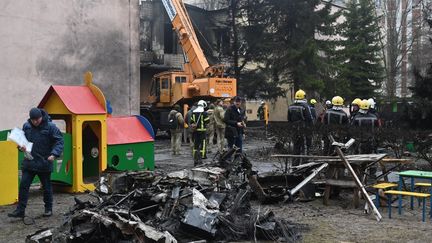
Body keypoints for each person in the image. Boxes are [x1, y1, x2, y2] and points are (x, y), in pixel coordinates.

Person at [8, 108, 64, 218]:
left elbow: (59, 141)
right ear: (30, 119)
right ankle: (20, 210)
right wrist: (21, 147)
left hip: (44, 162)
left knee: (47, 187)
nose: (35, 122)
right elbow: (22, 140)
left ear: (41, 117)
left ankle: (48, 209)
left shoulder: (50, 127)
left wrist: (54, 154)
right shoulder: (27, 126)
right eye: (33, 120)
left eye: (37, 119)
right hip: (29, 162)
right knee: (24, 185)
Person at [287, 89, 313, 164]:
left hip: (294, 130)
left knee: (296, 148)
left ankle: (295, 166)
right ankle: (304, 166)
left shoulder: (290, 107)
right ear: (303, 97)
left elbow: (289, 119)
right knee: (304, 148)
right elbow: (309, 118)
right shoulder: (305, 106)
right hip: (304, 130)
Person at [190, 100, 210, 165]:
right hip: (202, 130)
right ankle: (202, 155)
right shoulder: (204, 113)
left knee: (196, 143)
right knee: (203, 143)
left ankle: (194, 155)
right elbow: (207, 121)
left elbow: (191, 121)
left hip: (195, 131)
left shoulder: (193, 112)